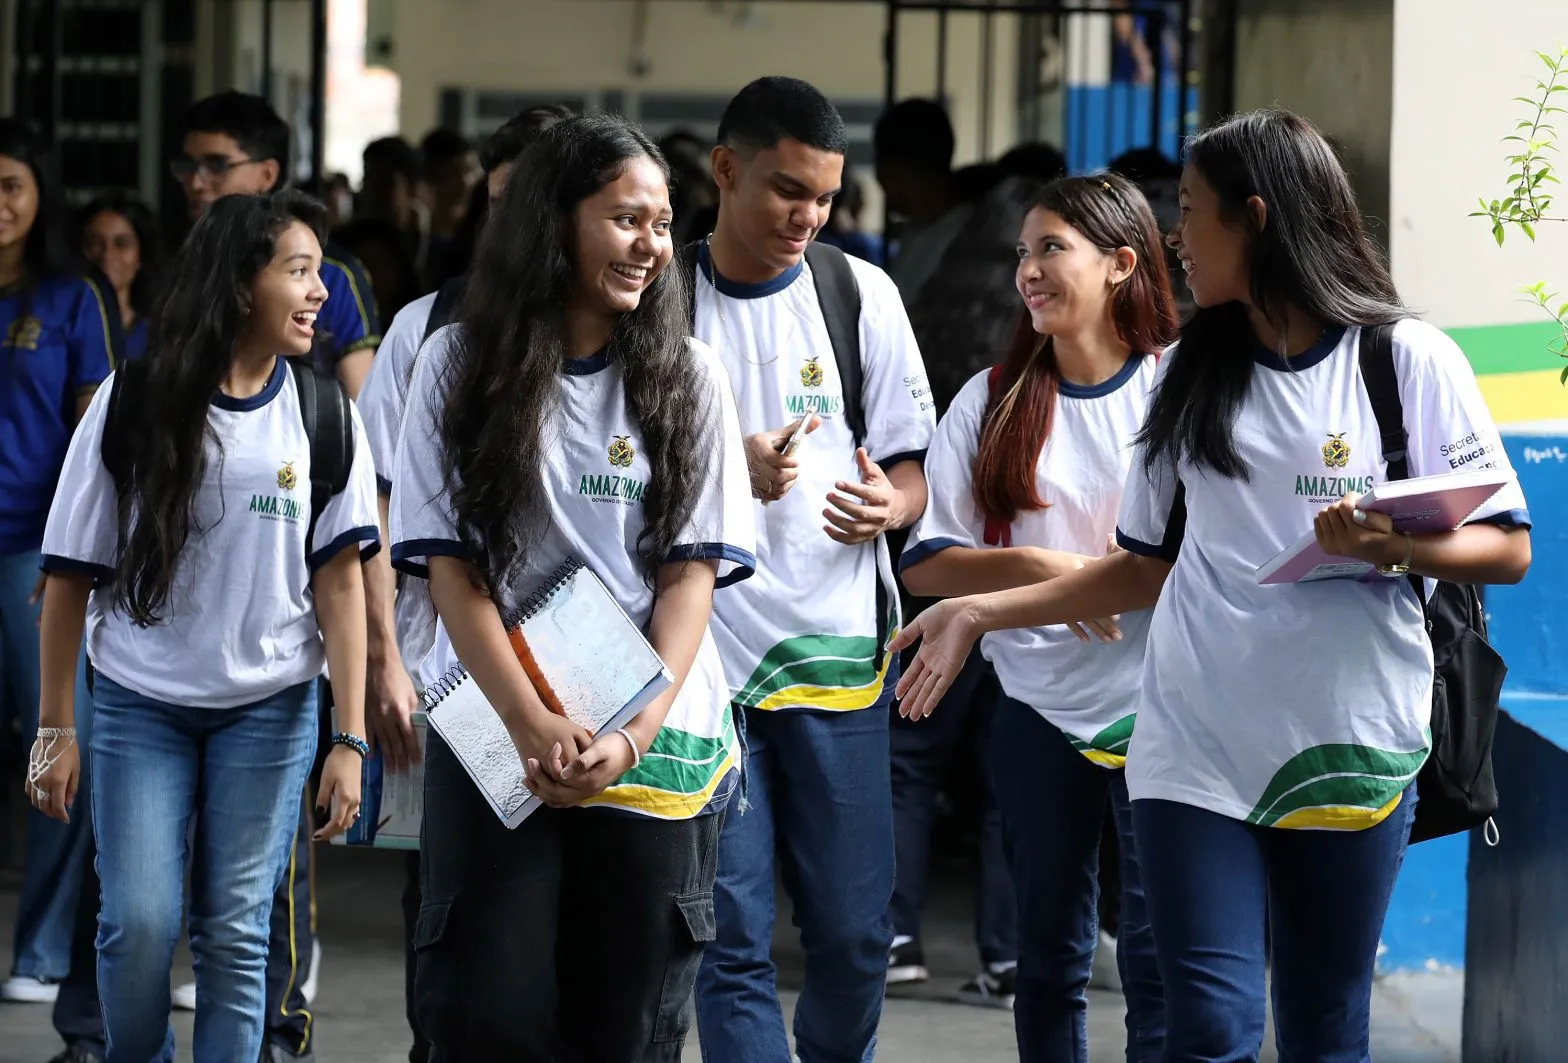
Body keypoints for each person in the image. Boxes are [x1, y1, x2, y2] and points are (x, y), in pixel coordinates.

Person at [892, 109, 1534, 1062]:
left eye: (1190, 214)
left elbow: (1508, 545)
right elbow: (1140, 564)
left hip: (1351, 736)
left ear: (1259, 219)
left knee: (1323, 1028)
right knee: (1210, 1027)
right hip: (1193, 747)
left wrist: (1397, 547)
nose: (1175, 239)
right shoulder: (1193, 368)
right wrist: (980, 607)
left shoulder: (1405, 361)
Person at [390, 111, 754, 1060]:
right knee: (487, 1007)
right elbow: (453, 572)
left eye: (664, 223)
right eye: (627, 219)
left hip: (651, 737)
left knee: (625, 1021)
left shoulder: (690, 375)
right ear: (555, 220)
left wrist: (630, 731)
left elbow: (688, 578)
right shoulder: (456, 365)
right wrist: (528, 720)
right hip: (498, 727)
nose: (652, 245)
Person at [29, 189, 377, 1062]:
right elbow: (69, 576)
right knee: (138, 921)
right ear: (236, 283)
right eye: (297, 272)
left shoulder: (323, 412)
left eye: (318, 274)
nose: (318, 295)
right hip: (139, 701)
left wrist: (352, 737)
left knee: (236, 931)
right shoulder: (136, 400)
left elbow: (341, 588)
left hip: (270, 708)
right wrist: (54, 728)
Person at [901, 173, 1177, 1059]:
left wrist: (1021, 598)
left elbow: (1185, 569)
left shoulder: (1177, 394)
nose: (1029, 270)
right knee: (1046, 958)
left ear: (1122, 264)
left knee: (1155, 957)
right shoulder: (991, 398)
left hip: (1163, 709)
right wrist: (1044, 566)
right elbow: (926, 566)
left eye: (1052, 248)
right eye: (1024, 252)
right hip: (1037, 713)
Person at [689, 76, 934, 1063]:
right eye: (787, 189)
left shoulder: (855, 293)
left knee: (851, 930)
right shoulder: (660, 300)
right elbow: (609, 478)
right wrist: (722, 468)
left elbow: (913, 466)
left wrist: (894, 507)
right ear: (724, 169)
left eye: (825, 197)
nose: (807, 216)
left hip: (836, 659)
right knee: (726, 932)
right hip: (701, 668)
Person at [354, 99, 571, 1063]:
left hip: (591, 674)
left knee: (569, 903)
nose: (505, 227)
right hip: (445, 666)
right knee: (444, 902)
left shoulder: (638, 329)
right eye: (495, 204)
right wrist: (385, 656)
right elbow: (378, 504)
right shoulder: (428, 329)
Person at [0, 119, 118, 1011]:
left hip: (31, 555)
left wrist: (72, 554)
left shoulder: (71, 297)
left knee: (53, 744)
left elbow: (93, 436)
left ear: (40, 196)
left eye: (12, 184)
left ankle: (40, 950)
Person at [173, 90, 381, 396]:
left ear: (267, 174)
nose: (196, 182)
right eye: (187, 167)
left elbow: (360, 400)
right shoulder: (177, 263)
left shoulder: (334, 275)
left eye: (216, 165)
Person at [75, 194, 162, 361]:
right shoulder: (61, 328)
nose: (107, 255)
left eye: (122, 243)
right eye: (94, 242)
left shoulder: (159, 335)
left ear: (141, 255)